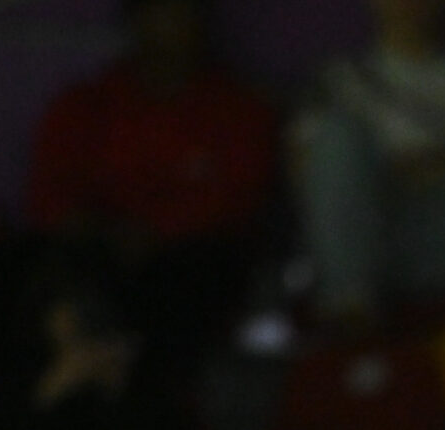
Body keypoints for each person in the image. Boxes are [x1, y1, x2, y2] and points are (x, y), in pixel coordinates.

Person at [26, 0, 279, 379]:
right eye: (158, 12)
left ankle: (143, 411)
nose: (171, 26)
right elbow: (51, 193)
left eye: (182, 12)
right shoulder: (86, 106)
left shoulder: (238, 111)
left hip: (188, 263)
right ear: (135, 21)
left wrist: (155, 234)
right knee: (16, 269)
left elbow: (237, 199)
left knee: (187, 280)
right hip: (94, 256)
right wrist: (101, 233)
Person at [292, 0, 445, 325]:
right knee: (337, 139)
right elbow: (305, 165)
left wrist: (410, 168)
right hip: (371, 235)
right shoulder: (339, 81)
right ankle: (349, 310)